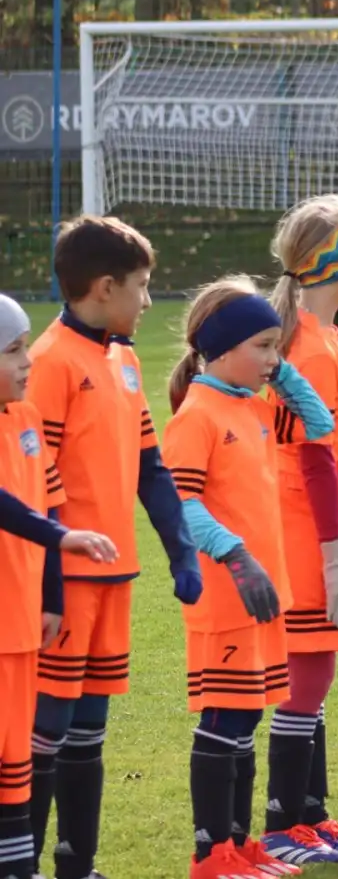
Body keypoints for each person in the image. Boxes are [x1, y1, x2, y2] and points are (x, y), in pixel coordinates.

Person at [25, 216, 201, 879]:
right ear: (104, 287)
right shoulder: (49, 364)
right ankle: (23, 864)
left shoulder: (121, 358)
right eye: (142, 286)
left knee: (90, 731)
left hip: (113, 579)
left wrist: (180, 550)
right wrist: (47, 581)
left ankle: (79, 864)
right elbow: (31, 484)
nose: (148, 301)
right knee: (46, 730)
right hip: (63, 582)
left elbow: (151, 467)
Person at [161, 276, 334, 879]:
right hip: (226, 597)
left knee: (248, 717)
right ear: (224, 348)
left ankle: (242, 847)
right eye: (262, 346)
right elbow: (180, 503)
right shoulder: (198, 414)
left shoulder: (253, 407)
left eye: (276, 346)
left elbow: (320, 425)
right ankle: (212, 855)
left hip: (262, 600)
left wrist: (282, 374)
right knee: (225, 718)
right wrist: (234, 555)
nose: (272, 358)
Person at [260, 196, 338, 864]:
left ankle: (312, 815)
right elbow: (313, 456)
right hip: (302, 530)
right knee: (308, 673)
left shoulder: (319, 333)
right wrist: (335, 556)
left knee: (316, 672)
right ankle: (281, 826)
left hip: (307, 525)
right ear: (334, 261)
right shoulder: (307, 339)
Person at [0, 293, 119, 879]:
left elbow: (45, 501)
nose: (28, 363)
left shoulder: (23, 420)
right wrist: (61, 535)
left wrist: (50, 597)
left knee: (15, 762)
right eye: (15, 350)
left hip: (21, 623)